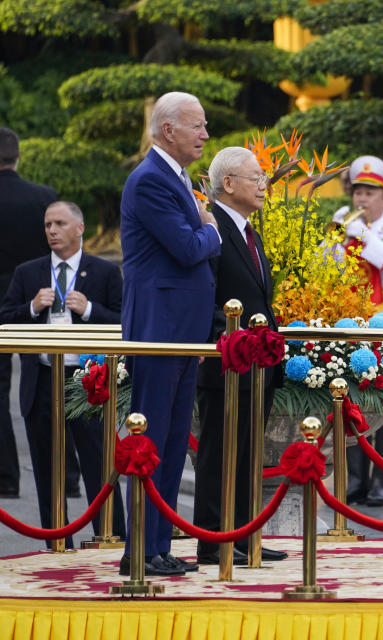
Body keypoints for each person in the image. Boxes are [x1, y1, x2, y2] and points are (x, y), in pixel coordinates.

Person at [119, 91, 221, 576]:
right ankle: (139, 547)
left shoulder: (174, 176)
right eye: (197, 126)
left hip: (181, 331)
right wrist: (212, 228)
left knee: (175, 439)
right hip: (159, 329)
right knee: (153, 437)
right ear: (168, 130)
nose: (205, 134)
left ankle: (158, 544)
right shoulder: (150, 181)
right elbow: (186, 247)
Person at [0, 201, 125, 546]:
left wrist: (90, 311)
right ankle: (57, 543)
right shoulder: (29, 273)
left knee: (99, 465)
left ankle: (111, 538)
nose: (51, 231)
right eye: (47, 225)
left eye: (59, 223)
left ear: (79, 228)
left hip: (86, 382)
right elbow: (5, 319)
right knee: (47, 467)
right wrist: (31, 307)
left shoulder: (104, 272)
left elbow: (125, 321)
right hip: (42, 379)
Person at [193, 147, 287, 565]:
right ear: (228, 184)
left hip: (259, 364)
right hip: (227, 365)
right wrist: (226, 338)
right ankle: (214, 541)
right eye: (256, 177)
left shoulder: (250, 231)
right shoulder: (211, 227)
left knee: (249, 452)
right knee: (218, 453)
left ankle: (245, 534)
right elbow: (203, 295)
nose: (264, 185)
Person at [332, 156, 383, 506]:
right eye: (358, 192)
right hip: (350, 322)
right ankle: (354, 479)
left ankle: (382, 481)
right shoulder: (344, 226)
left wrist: (362, 235)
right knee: (351, 399)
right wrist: (337, 240)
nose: (361, 200)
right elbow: (329, 269)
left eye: (369, 193)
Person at [0, 127, 57, 498]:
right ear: (18, 156)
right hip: (37, 298)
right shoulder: (44, 198)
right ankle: (64, 477)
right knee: (48, 388)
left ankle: (6, 478)